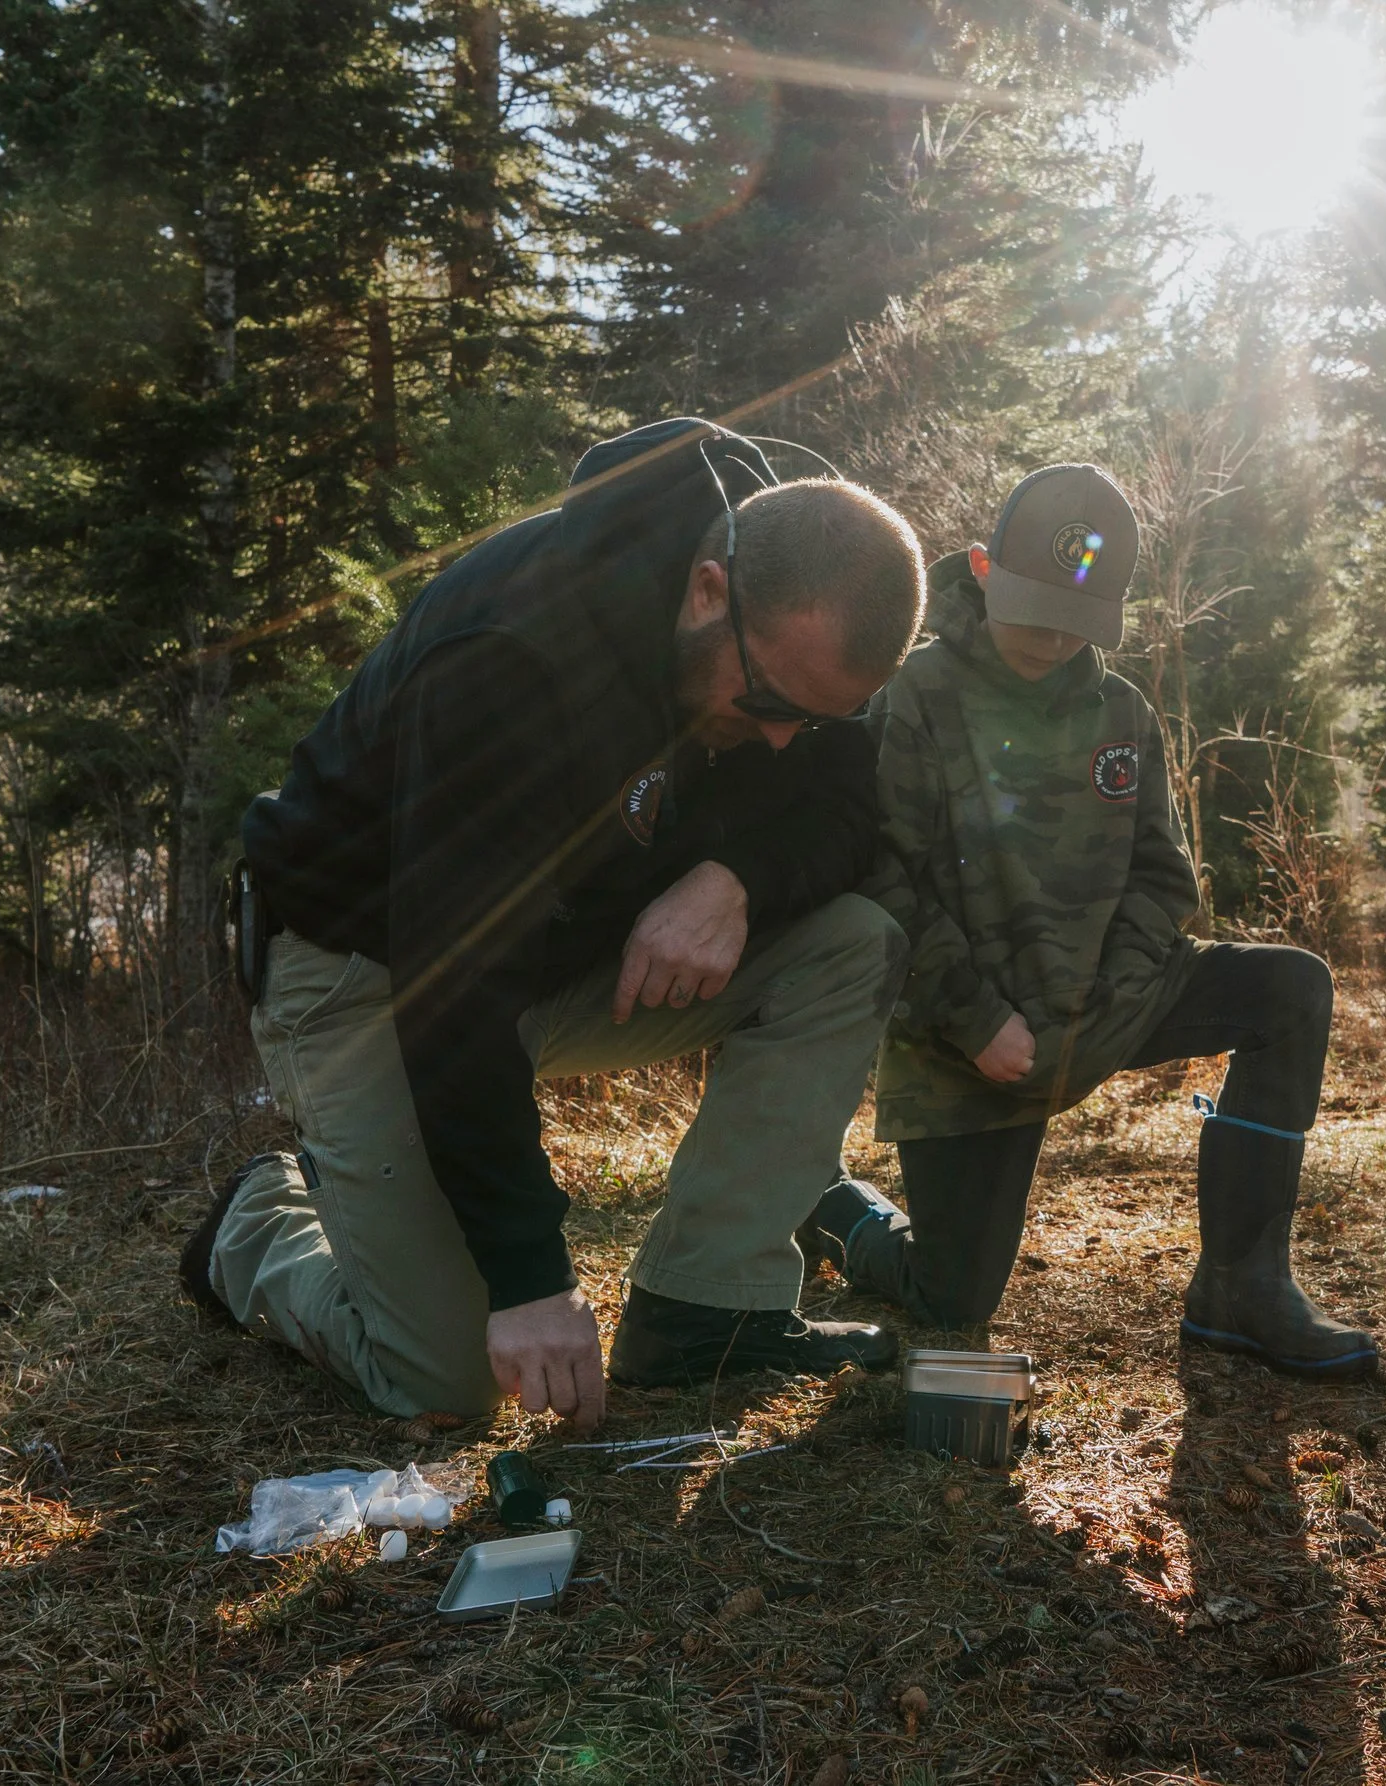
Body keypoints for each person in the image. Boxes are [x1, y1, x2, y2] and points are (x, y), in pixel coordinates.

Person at [180, 418, 927, 1429]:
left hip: (557, 957)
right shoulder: (511, 653)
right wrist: (530, 1276)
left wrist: (736, 875)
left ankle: (707, 1308)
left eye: (818, 721)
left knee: (851, 945)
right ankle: (258, 1225)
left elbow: (852, 814)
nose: (783, 738)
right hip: (367, 974)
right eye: (766, 703)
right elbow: (452, 988)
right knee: (445, 1380)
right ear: (708, 589)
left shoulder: (799, 624)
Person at [798, 464, 1377, 1378]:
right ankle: (838, 1211)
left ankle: (1241, 1287)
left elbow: (1162, 879)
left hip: (1104, 1004)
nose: (1056, 638)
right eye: (1034, 611)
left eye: (1079, 620)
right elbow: (880, 881)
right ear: (982, 569)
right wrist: (976, 1019)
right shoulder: (914, 696)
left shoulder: (1122, 711)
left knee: (1289, 988)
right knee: (955, 1298)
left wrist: (1113, 993)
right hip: (972, 1040)